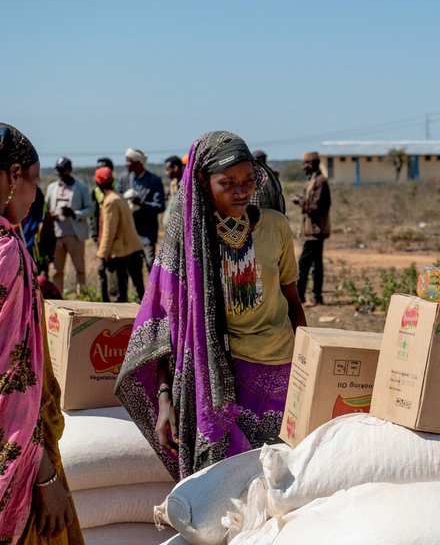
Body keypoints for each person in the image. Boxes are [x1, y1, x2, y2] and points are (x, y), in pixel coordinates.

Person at [115, 131, 303, 481]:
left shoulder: (276, 226)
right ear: (202, 181)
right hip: (222, 381)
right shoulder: (188, 247)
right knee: (232, 489)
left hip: (283, 370)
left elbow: (293, 301)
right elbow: (166, 327)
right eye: (228, 183)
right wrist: (165, 397)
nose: (241, 190)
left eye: (248, 181)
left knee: (284, 480)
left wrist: (308, 369)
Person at [0, 123, 90, 545]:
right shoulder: (7, 254)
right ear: (14, 175)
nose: (36, 195)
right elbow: (9, 378)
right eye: (34, 181)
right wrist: (42, 474)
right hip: (15, 466)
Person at [95, 166, 146, 303]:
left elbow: (108, 232)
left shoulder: (111, 201)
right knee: (140, 293)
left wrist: (102, 256)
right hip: (133, 249)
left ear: (98, 184)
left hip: (119, 253)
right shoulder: (119, 196)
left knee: (117, 296)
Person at [45, 157, 92, 295]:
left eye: (62, 170)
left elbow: (90, 209)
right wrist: (50, 215)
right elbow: (46, 208)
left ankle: (81, 297)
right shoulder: (52, 188)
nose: (59, 173)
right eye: (58, 170)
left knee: (80, 269)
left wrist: (74, 214)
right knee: (56, 270)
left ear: (69, 170)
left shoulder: (81, 187)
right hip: (57, 235)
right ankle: (57, 297)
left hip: (74, 235)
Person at [292, 151, 331, 307]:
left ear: (313, 164)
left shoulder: (320, 181)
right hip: (311, 231)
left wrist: (299, 201)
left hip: (315, 231)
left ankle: (302, 297)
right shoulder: (314, 180)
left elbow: (315, 207)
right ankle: (315, 296)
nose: (303, 168)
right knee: (314, 265)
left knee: (304, 265)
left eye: (306, 164)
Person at [116, 147, 166, 271]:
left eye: (128, 161)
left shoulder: (154, 180)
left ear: (137, 163)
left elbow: (160, 206)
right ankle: (139, 291)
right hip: (129, 230)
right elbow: (117, 198)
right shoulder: (124, 179)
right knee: (133, 265)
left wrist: (142, 204)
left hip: (147, 231)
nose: (126, 164)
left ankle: (154, 290)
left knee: (150, 262)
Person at [90, 157, 116, 244]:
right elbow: (94, 214)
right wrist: (95, 234)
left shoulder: (118, 186)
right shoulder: (96, 190)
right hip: (102, 229)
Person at [162, 155, 184, 229]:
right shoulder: (173, 183)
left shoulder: (185, 185)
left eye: (168, 170)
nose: (166, 173)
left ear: (176, 168)